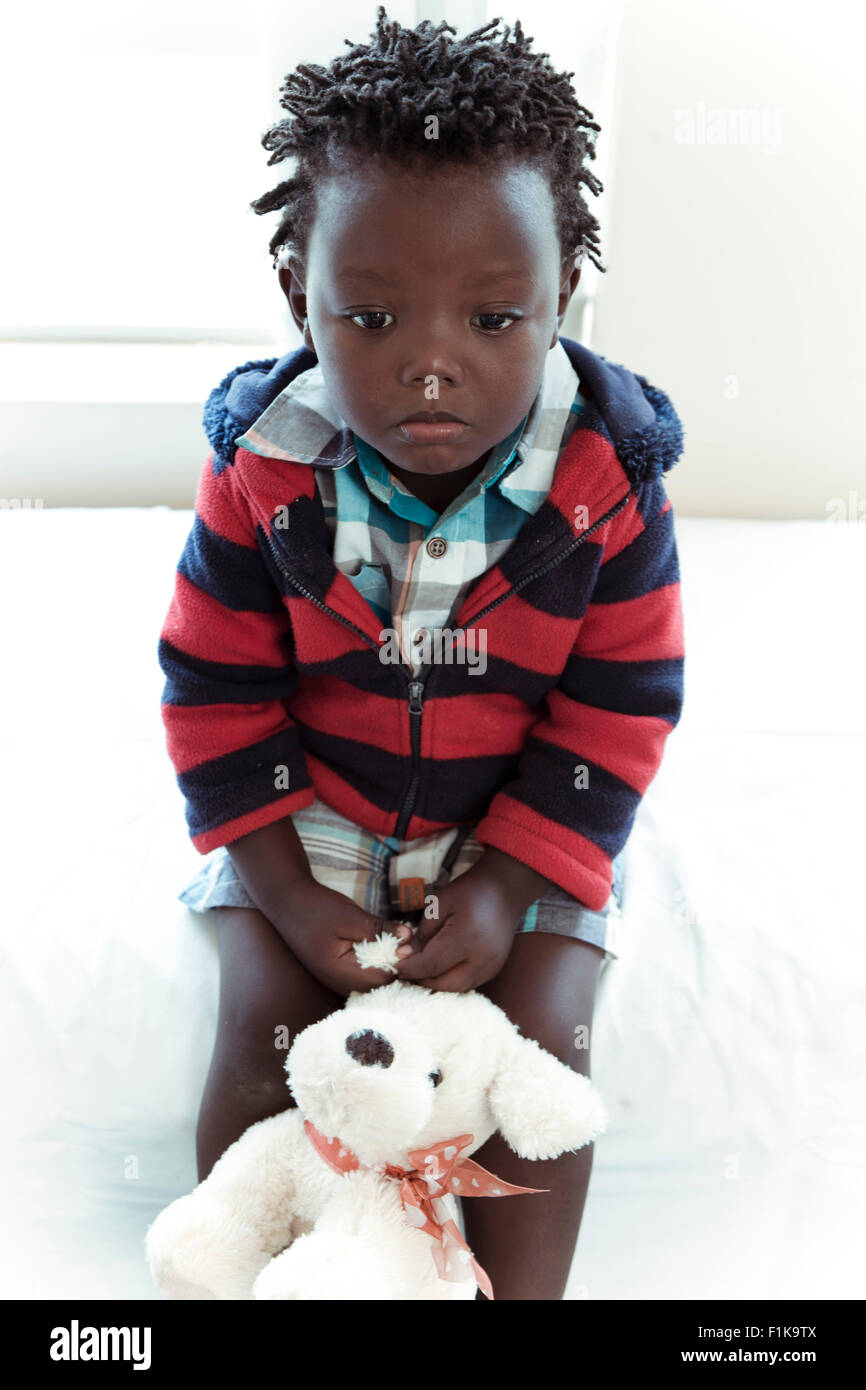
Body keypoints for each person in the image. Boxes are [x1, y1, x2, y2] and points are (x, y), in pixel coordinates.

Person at [157, 8, 685, 1300]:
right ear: (302, 297)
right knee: (260, 1041)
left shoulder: (605, 490)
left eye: (495, 319)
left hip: (516, 830)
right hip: (313, 819)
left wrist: (505, 886)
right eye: (376, 316)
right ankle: (247, 1271)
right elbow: (215, 696)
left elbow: (615, 712)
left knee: (541, 1055)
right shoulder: (264, 478)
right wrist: (285, 893)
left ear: (562, 294)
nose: (433, 367)